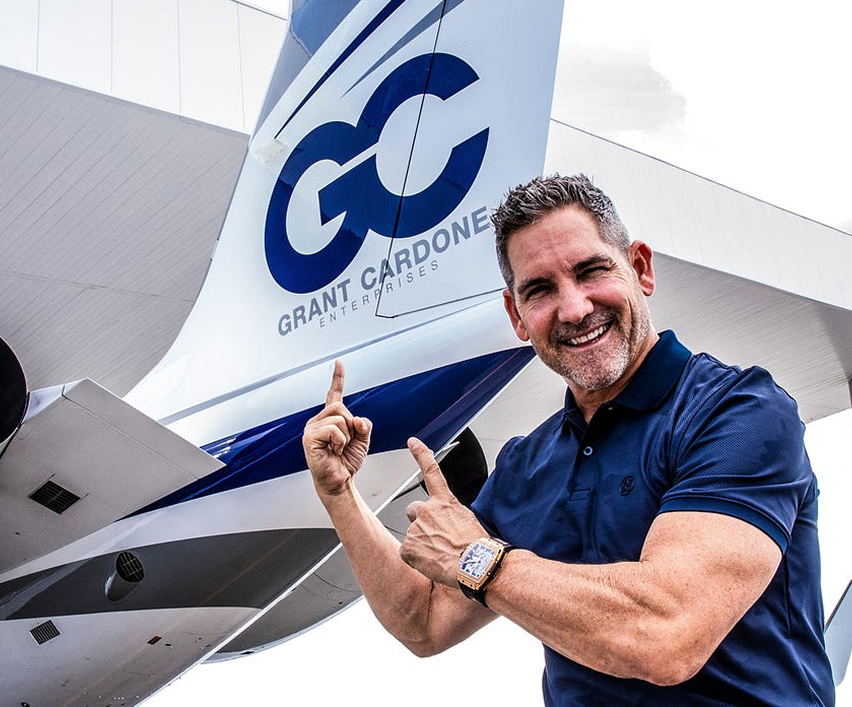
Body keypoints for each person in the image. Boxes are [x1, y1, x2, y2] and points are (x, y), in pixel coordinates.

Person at [302, 174, 835, 704]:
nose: (575, 309)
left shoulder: (738, 411)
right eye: (540, 290)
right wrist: (339, 495)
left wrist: (479, 559)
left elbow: (667, 634)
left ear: (640, 269)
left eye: (591, 271)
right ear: (516, 316)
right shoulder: (526, 465)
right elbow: (424, 621)